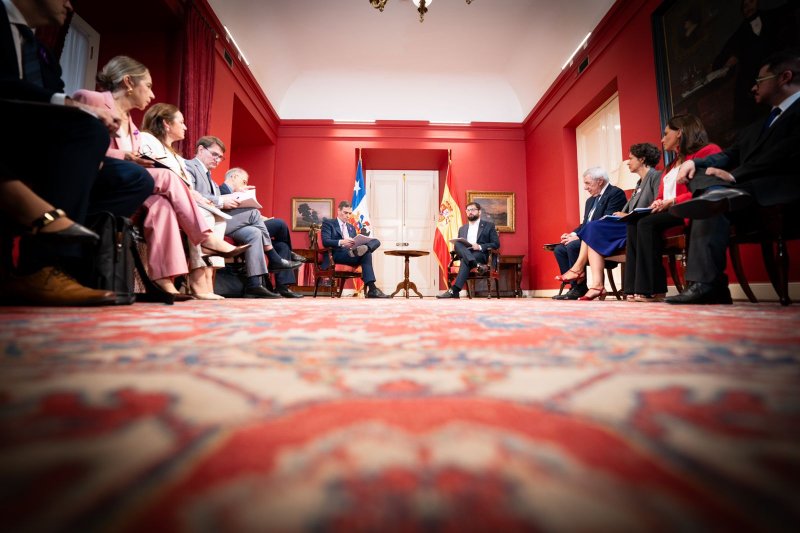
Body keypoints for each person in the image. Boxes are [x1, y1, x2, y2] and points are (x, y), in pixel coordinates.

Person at [0, 0, 153, 305]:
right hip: (11, 136)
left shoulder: (39, 49)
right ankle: (46, 262)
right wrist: (73, 109)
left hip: (44, 144)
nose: (69, 4)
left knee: (137, 179)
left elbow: (52, 94)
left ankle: (79, 248)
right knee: (88, 129)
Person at [71, 57, 246, 300]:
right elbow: (76, 147)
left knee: (162, 205)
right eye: (148, 86)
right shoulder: (90, 100)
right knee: (166, 176)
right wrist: (125, 156)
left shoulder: (132, 127)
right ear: (128, 82)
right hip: (98, 180)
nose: (152, 94)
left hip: (131, 187)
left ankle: (165, 281)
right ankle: (205, 238)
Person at [667, 49, 800, 304]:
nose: (753, 87)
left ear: (784, 77)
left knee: (712, 196)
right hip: (743, 192)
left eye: (759, 80)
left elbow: (785, 153)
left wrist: (734, 176)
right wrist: (694, 163)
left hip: (780, 187)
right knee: (705, 183)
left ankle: (709, 285)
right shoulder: (757, 125)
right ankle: (708, 283)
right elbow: (728, 154)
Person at [139, 103, 249, 300]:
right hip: (149, 193)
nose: (185, 126)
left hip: (170, 200)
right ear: (166, 123)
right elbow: (147, 170)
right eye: (181, 122)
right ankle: (203, 253)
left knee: (215, 215)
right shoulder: (145, 139)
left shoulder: (177, 157)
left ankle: (203, 282)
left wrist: (204, 200)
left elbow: (188, 189)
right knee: (200, 213)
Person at [625, 114, 722, 302]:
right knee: (633, 223)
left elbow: (705, 190)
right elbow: (661, 195)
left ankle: (653, 289)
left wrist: (673, 201)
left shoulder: (706, 152)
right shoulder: (670, 166)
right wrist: (658, 202)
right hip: (669, 210)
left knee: (646, 223)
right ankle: (634, 288)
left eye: (666, 133)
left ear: (680, 132)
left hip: (689, 207)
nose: (662, 139)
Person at [554, 144, 662, 301]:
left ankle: (580, 272)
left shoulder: (654, 177)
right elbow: (586, 222)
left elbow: (658, 202)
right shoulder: (639, 183)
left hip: (634, 225)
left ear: (642, 159)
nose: (628, 162)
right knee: (574, 240)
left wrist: (626, 215)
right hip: (627, 224)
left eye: (631, 158)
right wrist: (573, 234)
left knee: (591, 230)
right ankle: (592, 285)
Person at [214, 166, 304, 298]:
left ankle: (278, 286)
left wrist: (262, 218)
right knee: (279, 224)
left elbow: (244, 214)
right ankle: (276, 257)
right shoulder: (220, 189)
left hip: (243, 227)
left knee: (276, 243)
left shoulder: (237, 193)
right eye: (244, 181)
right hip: (226, 227)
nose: (245, 185)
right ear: (234, 177)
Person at [551, 167, 627, 300]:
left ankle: (579, 285)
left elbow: (606, 222)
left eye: (587, 183)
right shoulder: (590, 200)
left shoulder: (615, 193)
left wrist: (578, 237)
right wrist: (572, 234)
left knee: (573, 246)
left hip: (604, 239)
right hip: (589, 236)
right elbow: (585, 224)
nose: (585, 188)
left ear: (600, 181)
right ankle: (575, 287)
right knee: (560, 249)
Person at [321, 201, 389, 298]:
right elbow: (326, 241)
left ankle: (366, 248)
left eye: (350, 213)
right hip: (336, 254)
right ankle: (372, 289)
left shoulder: (351, 227)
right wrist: (343, 242)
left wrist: (357, 243)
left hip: (351, 253)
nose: (348, 216)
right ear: (338, 210)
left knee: (374, 243)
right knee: (366, 253)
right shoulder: (328, 223)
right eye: (345, 213)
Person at [436, 202, 500, 299]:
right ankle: (477, 265)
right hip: (467, 253)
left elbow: (496, 244)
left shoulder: (489, 226)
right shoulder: (462, 228)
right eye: (468, 210)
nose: (470, 212)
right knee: (457, 244)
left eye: (473, 210)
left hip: (480, 254)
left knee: (465, 260)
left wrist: (479, 246)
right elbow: (460, 247)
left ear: (479, 212)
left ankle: (454, 291)